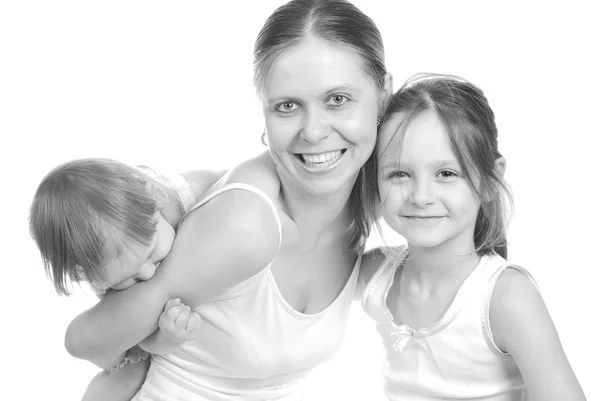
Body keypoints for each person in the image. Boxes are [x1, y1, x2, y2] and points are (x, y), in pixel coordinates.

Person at [63, 0, 393, 399]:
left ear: (383, 94)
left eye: (337, 99)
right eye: (287, 106)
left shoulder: (370, 195)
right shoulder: (247, 223)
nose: (314, 131)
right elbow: (85, 341)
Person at [360, 74, 586, 400]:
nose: (421, 196)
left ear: (490, 180)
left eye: (446, 174)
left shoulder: (505, 298)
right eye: (399, 174)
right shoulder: (376, 274)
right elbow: (303, 259)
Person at [29, 158, 223, 400]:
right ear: (83, 273)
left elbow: (233, 181)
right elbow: (142, 344)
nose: (148, 274)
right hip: (138, 343)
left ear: (154, 201)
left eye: (151, 254)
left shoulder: (180, 196)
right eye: (129, 278)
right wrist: (167, 338)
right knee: (118, 378)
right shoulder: (105, 270)